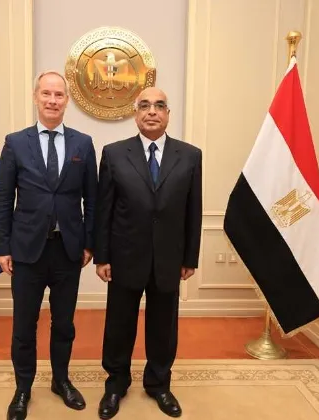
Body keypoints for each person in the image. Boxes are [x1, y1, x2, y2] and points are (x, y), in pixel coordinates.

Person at [93, 87, 202, 419]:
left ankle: (159, 384)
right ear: (135, 114)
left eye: (159, 105)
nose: (151, 111)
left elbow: (193, 210)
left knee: (163, 327)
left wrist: (190, 258)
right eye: (144, 105)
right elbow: (104, 209)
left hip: (169, 258)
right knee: (119, 325)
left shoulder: (190, 155)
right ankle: (115, 385)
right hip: (124, 257)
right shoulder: (114, 154)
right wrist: (102, 256)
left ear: (168, 114)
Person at [0, 70, 97, 420]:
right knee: (24, 326)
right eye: (46, 94)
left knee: (64, 324)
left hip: (68, 251)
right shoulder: (15, 142)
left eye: (59, 95)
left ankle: (61, 380)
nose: (52, 100)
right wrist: (3, 247)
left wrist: (89, 243)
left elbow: (92, 199)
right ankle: (23, 388)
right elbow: (3, 198)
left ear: (67, 100)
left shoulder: (83, 144)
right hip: (26, 251)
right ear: (36, 97)